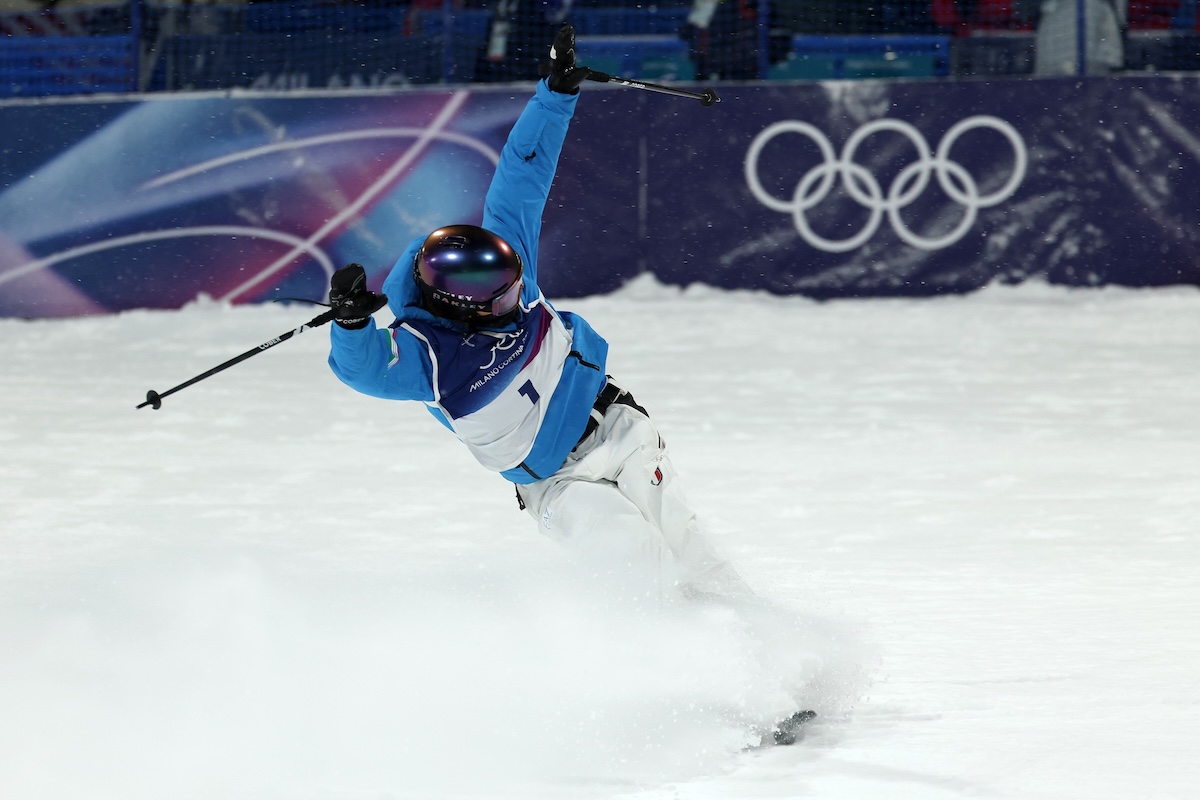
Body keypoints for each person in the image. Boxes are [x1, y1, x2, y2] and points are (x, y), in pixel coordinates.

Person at [325, 23, 752, 604]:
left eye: (512, 284)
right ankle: (696, 683)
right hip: (557, 485)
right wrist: (351, 322)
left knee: (696, 554)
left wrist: (557, 94)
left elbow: (522, 176)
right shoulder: (426, 355)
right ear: (458, 305)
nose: (515, 298)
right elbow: (367, 369)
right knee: (638, 567)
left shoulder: (508, 266)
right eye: (499, 297)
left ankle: (783, 666)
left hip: (619, 428)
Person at [1034, 0, 1127, 75]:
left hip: (1090, 69)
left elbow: (1110, 45)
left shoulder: (1097, 7)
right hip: (1056, 68)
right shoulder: (1051, 10)